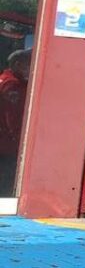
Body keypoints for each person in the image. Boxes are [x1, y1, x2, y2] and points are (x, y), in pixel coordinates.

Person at [0, 48, 31, 195]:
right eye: (28, 63)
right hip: (9, 147)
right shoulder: (12, 86)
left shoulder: (5, 80)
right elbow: (13, 118)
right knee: (7, 186)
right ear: (18, 64)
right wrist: (23, 144)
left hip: (5, 145)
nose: (31, 67)